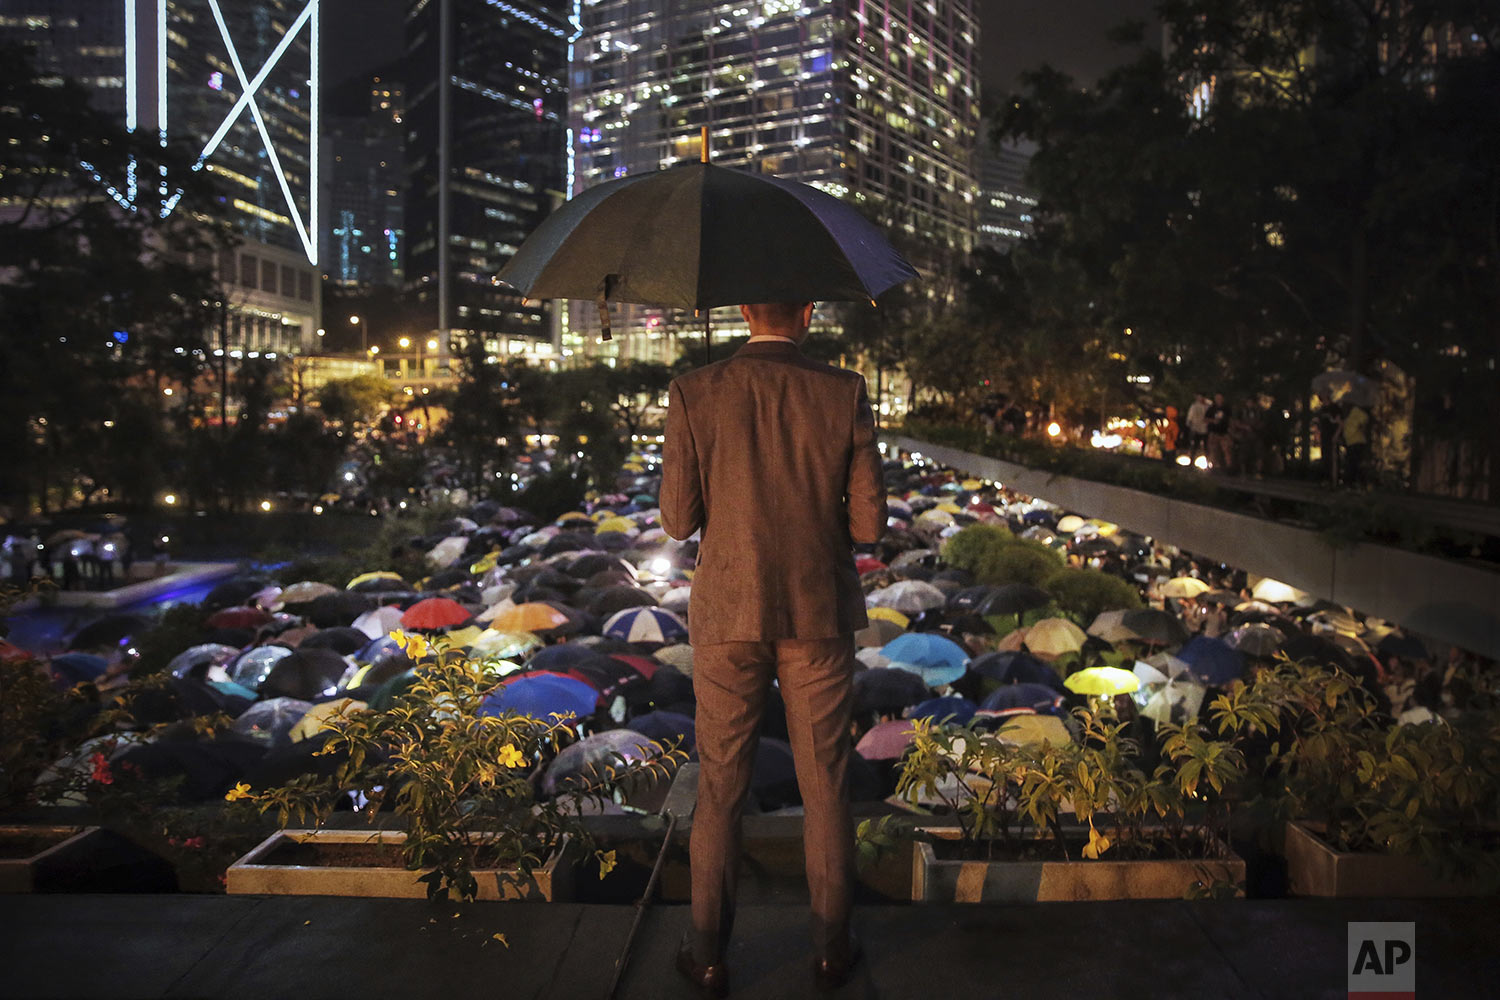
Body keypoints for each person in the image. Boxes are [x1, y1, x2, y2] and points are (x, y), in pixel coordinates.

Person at [662, 300, 885, 997]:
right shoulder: (843, 389)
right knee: (825, 785)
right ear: (809, 313)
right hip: (817, 610)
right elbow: (870, 523)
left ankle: (707, 954)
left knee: (721, 788)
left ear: (742, 311)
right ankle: (829, 951)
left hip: (728, 609)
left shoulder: (694, 390)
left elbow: (676, 520)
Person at [1204, 392, 1232, 472]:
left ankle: (1229, 467)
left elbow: (1230, 420)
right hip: (1214, 432)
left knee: (1227, 450)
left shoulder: (1226, 409)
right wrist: (1213, 421)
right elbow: (1205, 419)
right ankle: (1211, 467)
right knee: (1213, 450)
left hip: (1223, 433)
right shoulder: (1212, 408)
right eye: (1217, 398)